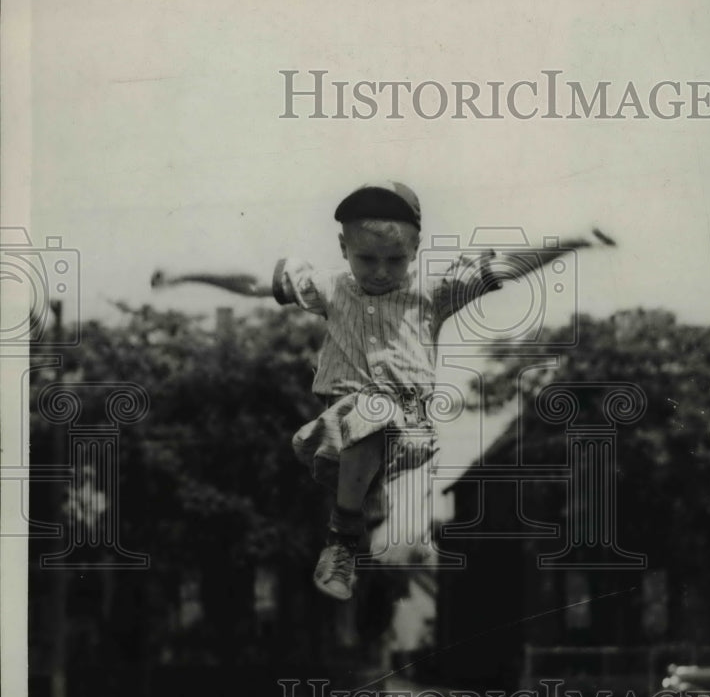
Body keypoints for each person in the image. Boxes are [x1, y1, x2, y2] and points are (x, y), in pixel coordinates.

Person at [152, 180, 614, 601]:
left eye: (394, 260)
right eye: (366, 259)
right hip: (333, 430)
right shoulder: (328, 287)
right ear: (343, 248)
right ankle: (362, 512)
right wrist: (183, 274)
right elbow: (254, 281)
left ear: (415, 250)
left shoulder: (438, 291)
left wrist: (575, 241)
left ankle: (343, 541)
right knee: (364, 416)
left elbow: (509, 266)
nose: (379, 272)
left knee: (376, 410)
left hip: (409, 431)